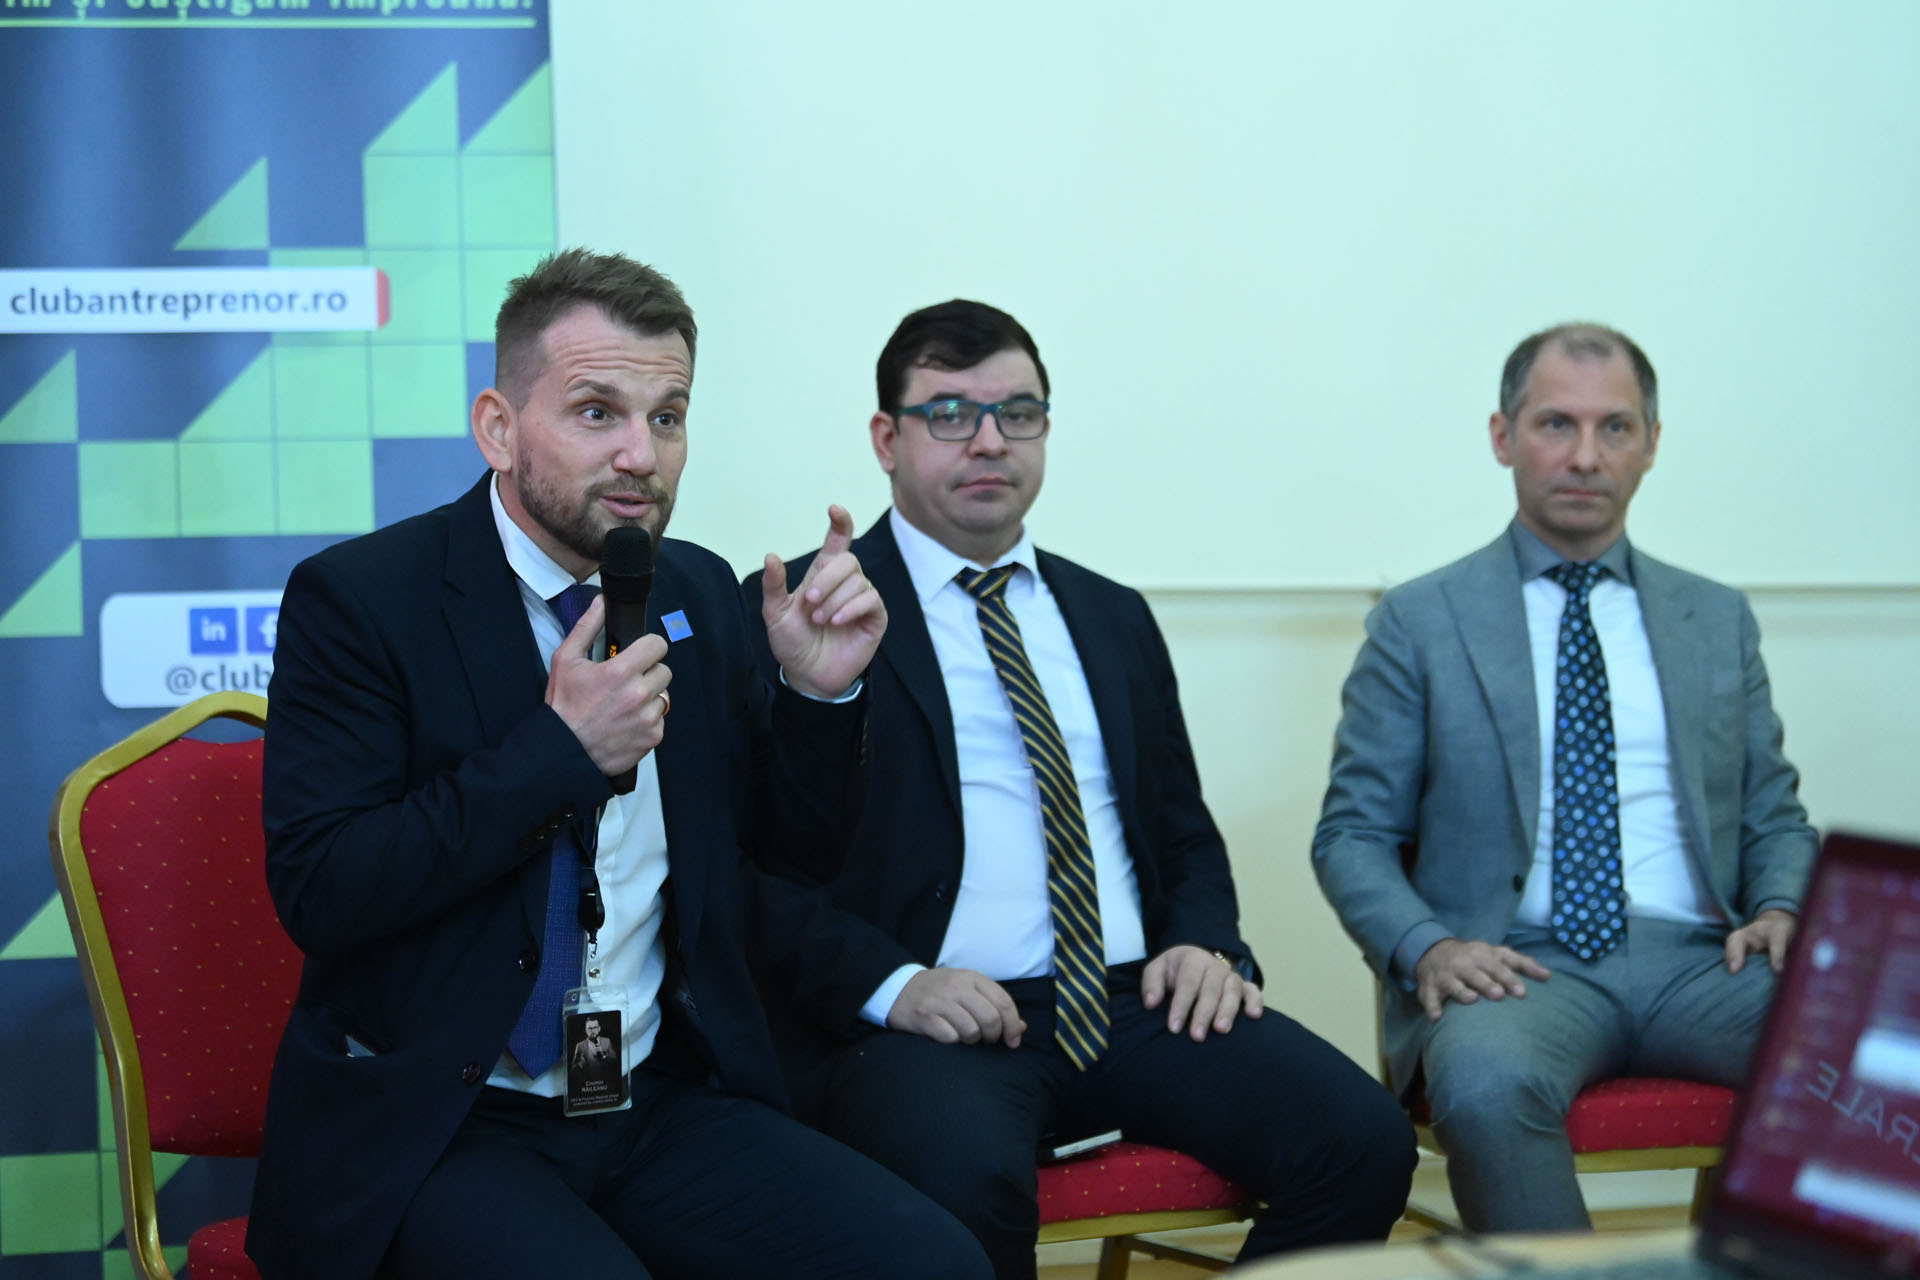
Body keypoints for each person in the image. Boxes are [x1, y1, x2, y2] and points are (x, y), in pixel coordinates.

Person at [247, 250, 991, 1280]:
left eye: (668, 416)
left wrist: (818, 697)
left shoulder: (696, 593)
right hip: (447, 1119)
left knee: (935, 1264)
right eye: (597, 412)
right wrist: (558, 753)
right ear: (498, 427)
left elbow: (785, 861)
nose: (642, 454)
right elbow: (324, 888)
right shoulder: (364, 600)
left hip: (651, 1095)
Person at [744, 299, 1416, 1278]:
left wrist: (1207, 942)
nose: (989, 440)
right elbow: (753, 868)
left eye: (1017, 412)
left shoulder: (1110, 613)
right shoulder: (803, 610)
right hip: (933, 1019)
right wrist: (897, 986)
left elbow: (1182, 831)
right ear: (887, 438)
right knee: (961, 1189)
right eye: (949, 413)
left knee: (1363, 1140)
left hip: (1135, 1000)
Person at [1312, 322, 1817, 1233]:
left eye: (1614, 427)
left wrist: (1781, 908)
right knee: (1486, 1082)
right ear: (1503, 436)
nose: (1586, 456)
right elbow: (1353, 835)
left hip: (1706, 964)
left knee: (1878, 1048)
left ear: (1651, 443)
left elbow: (1772, 813)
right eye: (1556, 424)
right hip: (1513, 970)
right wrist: (1429, 948)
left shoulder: (1716, 618)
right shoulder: (1421, 620)